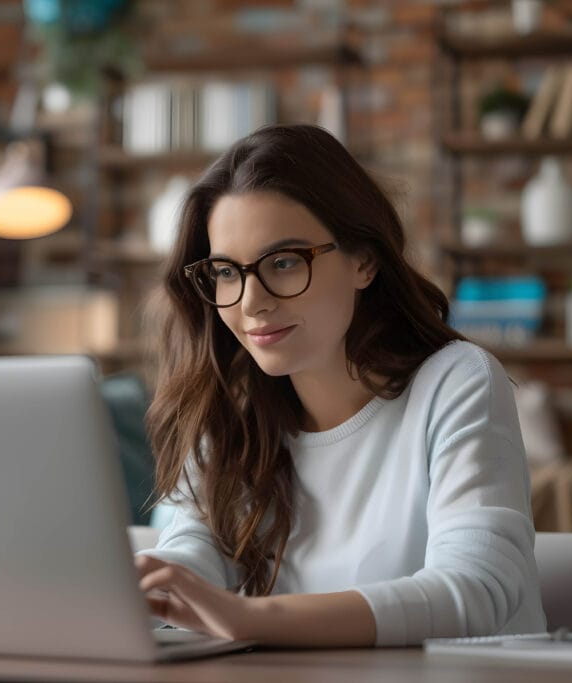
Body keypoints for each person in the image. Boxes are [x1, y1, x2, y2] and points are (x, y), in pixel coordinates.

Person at [134, 124, 546, 648]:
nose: (250, 302)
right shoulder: (234, 404)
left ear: (365, 261)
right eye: (226, 272)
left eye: (283, 262)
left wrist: (252, 618)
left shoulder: (456, 381)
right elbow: (197, 548)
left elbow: (477, 591)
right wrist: (142, 585)